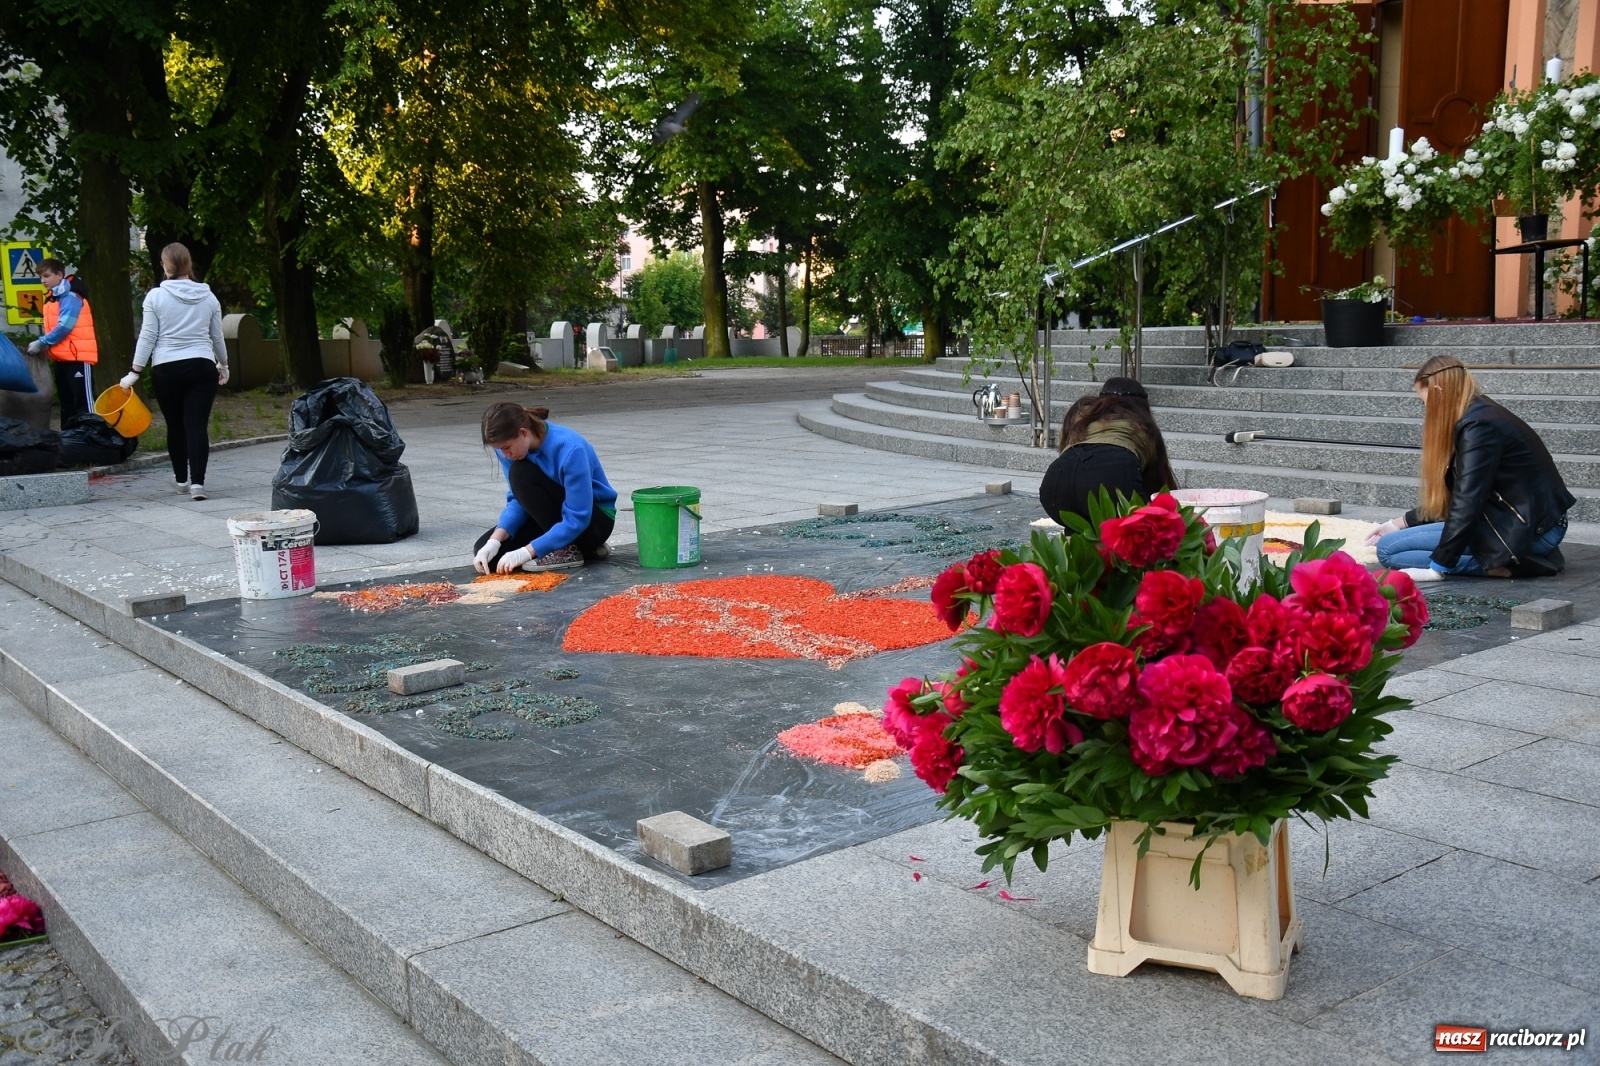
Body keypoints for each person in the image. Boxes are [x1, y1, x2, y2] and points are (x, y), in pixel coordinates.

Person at [1367, 353, 1574, 581]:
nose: (1426, 410)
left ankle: (1510, 566)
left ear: (1438, 392)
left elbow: (1468, 499)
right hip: (1526, 524)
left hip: (1532, 531)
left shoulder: (1480, 427)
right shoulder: (1479, 414)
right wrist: (1399, 523)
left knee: (1388, 550)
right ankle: (1512, 559)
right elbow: (1462, 496)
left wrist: (1438, 567)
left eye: (1423, 401)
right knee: (1395, 542)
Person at [119, 243, 229, 501]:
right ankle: (198, 485)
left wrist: (135, 371)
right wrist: (223, 364)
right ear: (189, 265)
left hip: (166, 368)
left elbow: (148, 336)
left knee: (176, 426)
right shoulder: (209, 297)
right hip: (202, 366)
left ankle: (181, 480)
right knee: (197, 426)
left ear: (165, 265)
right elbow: (216, 336)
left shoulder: (155, 297)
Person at [473, 402, 617, 573]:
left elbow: (578, 517)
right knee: (490, 559)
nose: (505, 455)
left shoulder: (570, 448)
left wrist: (527, 551)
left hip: (592, 522)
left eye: (506, 448)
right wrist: (495, 540)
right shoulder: (508, 450)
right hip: (552, 518)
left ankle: (571, 549)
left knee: (521, 473)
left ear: (523, 433)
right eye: (499, 450)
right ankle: (581, 550)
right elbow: (519, 499)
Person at [1039, 377, 1178, 524]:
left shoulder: (1080, 415)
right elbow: (1155, 484)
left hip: (1055, 485)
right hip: (1114, 472)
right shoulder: (1143, 424)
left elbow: (1067, 450)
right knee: (1141, 534)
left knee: (1080, 536)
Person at [30, 258, 96, 424]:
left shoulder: (71, 296)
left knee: (84, 406)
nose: (42, 281)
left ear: (59, 275)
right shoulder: (54, 298)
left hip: (78, 358)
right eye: (41, 277)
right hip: (63, 358)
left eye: (46, 276)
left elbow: (64, 327)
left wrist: (42, 343)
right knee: (67, 406)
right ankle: (70, 443)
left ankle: (91, 442)